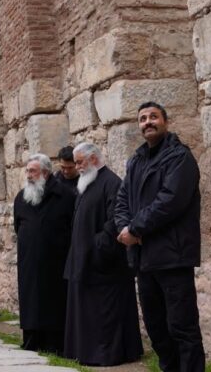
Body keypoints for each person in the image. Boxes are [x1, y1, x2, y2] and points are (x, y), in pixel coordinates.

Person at [116, 102, 205, 372]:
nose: (147, 122)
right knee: (156, 328)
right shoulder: (137, 160)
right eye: (142, 118)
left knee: (181, 326)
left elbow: (170, 201)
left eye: (153, 117)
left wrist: (135, 229)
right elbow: (122, 199)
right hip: (144, 258)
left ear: (165, 121)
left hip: (173, 256)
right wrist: (124, 228)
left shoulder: (180, 157)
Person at [64, 142, 143, 365]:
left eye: (80, 162)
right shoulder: (87, 183)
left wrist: (97, 246)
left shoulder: (111, 182)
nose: (77, 167)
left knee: (107, 313)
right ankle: (87, 351)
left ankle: (107, 354)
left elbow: (114, 221)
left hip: (104, 264)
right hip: (85, 260)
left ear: (94, 160)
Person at [13, 153, 76, 355]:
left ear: (46, 173)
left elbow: (71, 226)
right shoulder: (21, 198)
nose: (28, 175)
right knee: (30, 300)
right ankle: (32, 339)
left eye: (32, 171)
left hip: (55, 260)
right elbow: (18, 225)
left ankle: (53, 343)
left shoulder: (65, 195)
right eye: (27, 171)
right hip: (29, 260)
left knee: (53, 301)